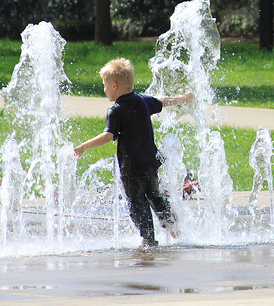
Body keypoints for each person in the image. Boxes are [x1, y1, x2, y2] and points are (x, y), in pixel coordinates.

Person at [74, 58, 195, 247]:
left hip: (131, 168)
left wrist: (82, 146)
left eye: (105, 86)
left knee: (137, 203)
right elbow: (162, 102)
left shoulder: (115, 110)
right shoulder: (143, 101)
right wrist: (183, 98)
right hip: (151, 163)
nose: (104, 90)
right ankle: (171, 222)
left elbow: (108, 136)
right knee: (154, 195)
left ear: (114, 85)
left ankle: (148, 240)